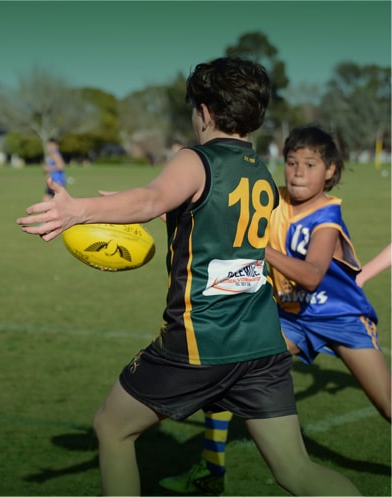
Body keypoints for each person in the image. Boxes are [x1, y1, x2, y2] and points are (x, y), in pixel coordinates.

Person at [16, 59, 360, 496]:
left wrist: (77, 210)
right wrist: (129, 203)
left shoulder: (197, 158)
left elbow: (156, 197)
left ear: (205, 111)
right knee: (295, 470)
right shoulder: (259, 169)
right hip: (261, 342)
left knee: (112, 428)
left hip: (201, 341)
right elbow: (180, 204)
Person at [158, 124, 391, 495]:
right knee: (227, 369)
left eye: (310, 164)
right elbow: (222, 213)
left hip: (341, 317)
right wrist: (168, 208)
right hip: (292, 318)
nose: (298, 171)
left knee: (387, 404)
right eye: (292, 162)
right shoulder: (272, 199)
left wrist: (260, 249)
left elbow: (313, 275)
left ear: (330, 171)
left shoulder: (327, 216)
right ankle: (210, 472)